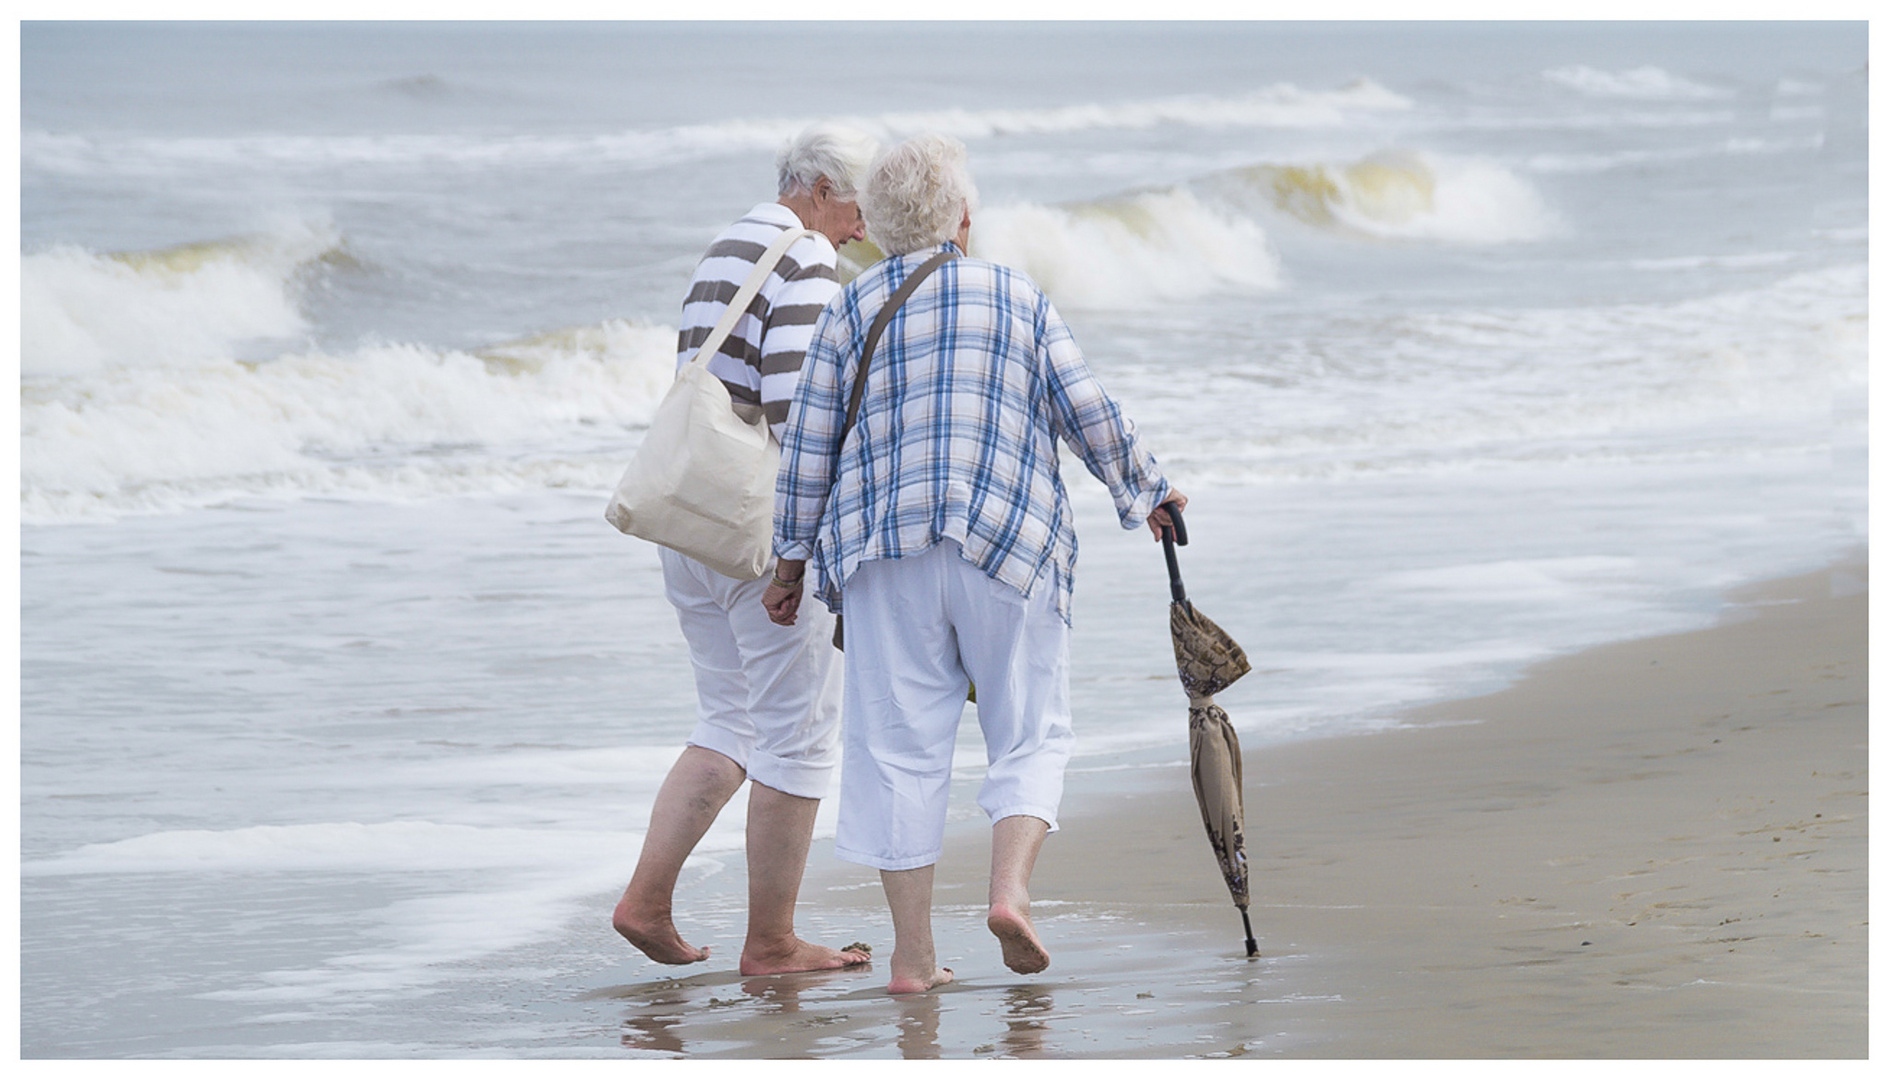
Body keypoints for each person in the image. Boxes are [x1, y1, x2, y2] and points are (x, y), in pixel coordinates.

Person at [763, 134, 1186, 995]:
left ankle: (912, 959)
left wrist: (788, 563)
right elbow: (1084, 407)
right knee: (1029, 729)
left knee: (897, 752)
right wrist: (1146, 491)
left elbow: (808, 446)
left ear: (875, 225)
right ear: (962, 215)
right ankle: (1008, 894)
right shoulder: (1015, 295)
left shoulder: (847, 310)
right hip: (1007, 541)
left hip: (885, 553)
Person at [612, 124, 879, 976]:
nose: (861, 228)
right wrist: (813, 541)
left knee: (727, 717)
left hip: (691, 520)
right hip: (759, 529)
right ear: (821, 189)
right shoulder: (803, 256)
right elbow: (794, 408)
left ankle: (646, 901)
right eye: (856, 205)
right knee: (798, 735)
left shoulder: (731, 240)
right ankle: (771, 943)